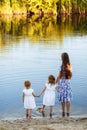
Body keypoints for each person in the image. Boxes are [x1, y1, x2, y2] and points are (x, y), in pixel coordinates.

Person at [56, 52, 72, 117]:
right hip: (67, 84)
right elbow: (70, 76)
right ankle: (68, 112)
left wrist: (55, 83)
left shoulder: (61, 66)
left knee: (62, 99)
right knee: (68, 99)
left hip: (62, 84)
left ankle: (63, 111)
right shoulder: (70, 66)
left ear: (62, 58)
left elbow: (59, 76)